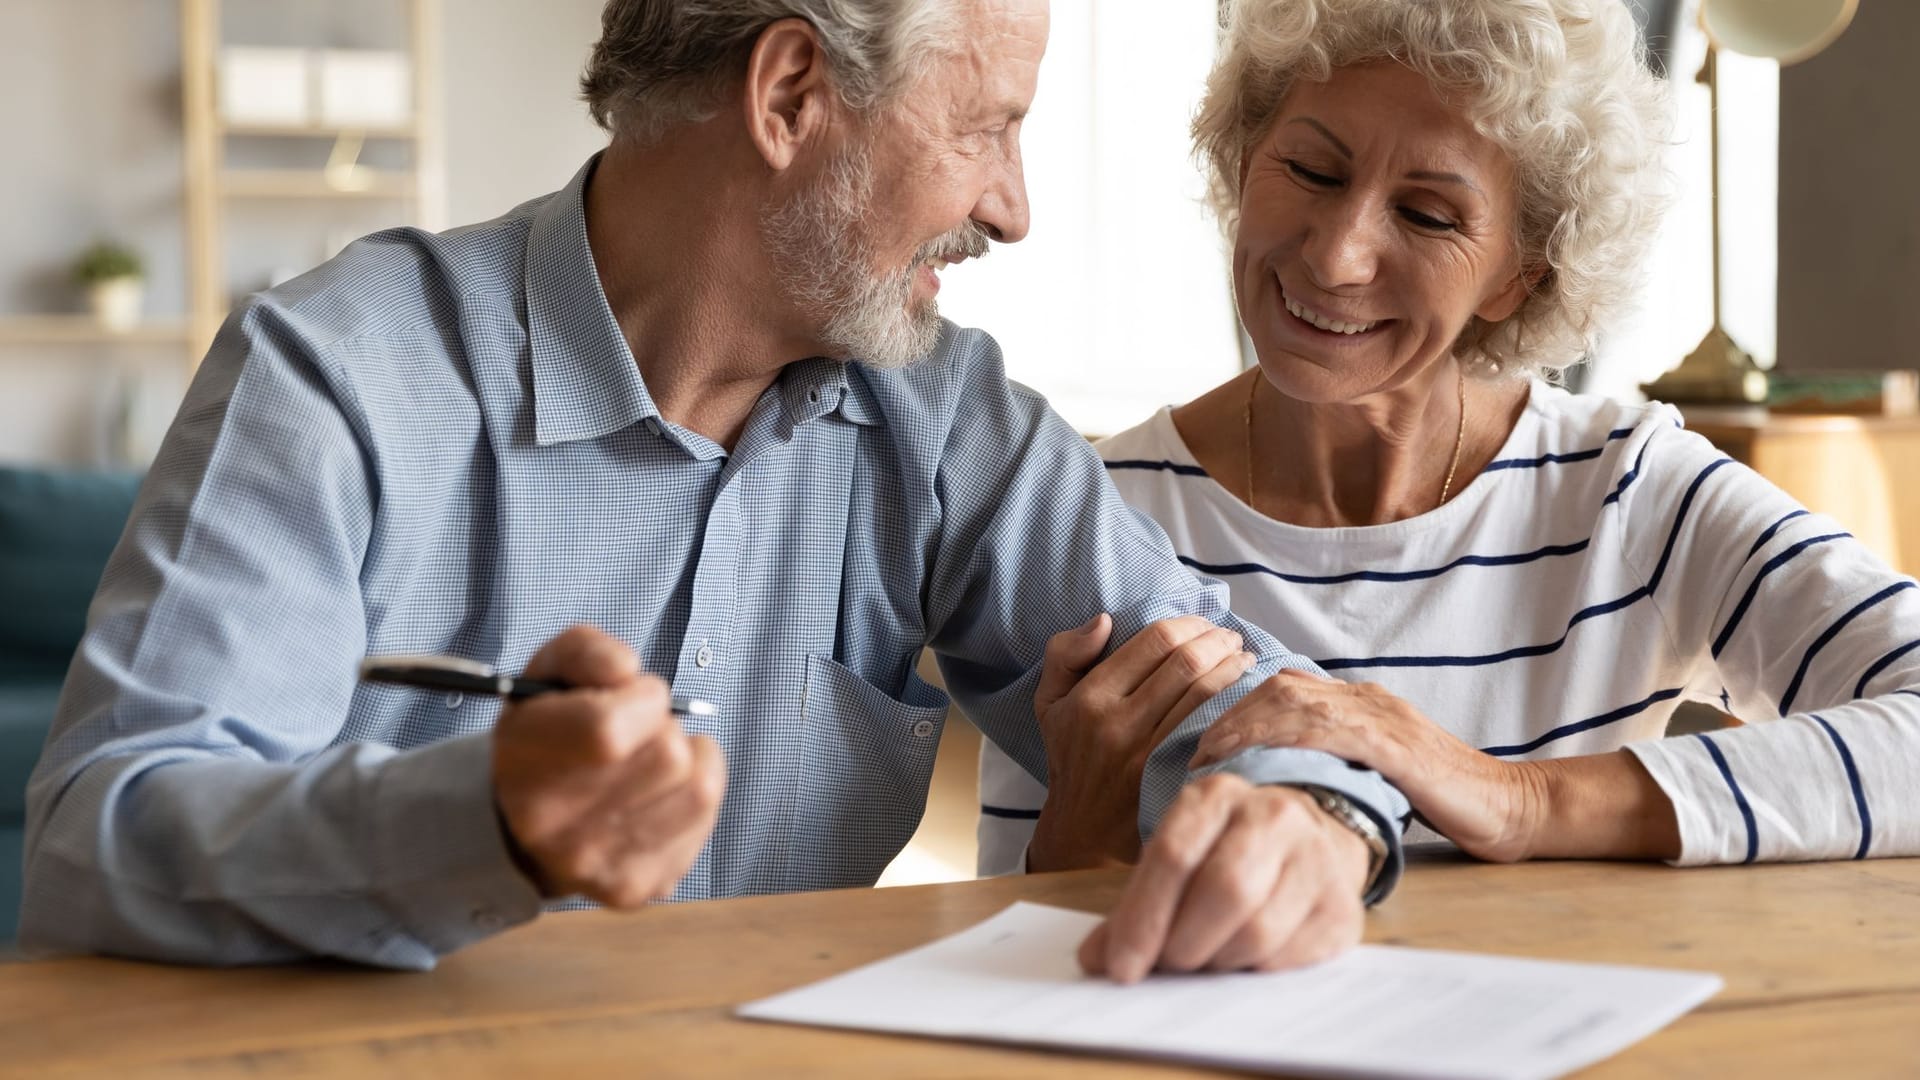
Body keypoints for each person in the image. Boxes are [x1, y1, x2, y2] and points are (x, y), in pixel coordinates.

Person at [21, 0, 1411, 979]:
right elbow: (101, 839)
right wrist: (480, 822)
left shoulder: (939, 408)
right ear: (792, 94)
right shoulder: (338, 372)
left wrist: (1312, 816)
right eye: (986, 128)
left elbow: (1252, 696)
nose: (1014, 206)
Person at [982, 0, 1919, 875]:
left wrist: (1515, 798)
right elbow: (1009, 978)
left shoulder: (1630, 492)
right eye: (1310, 170)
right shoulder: (1089, 512)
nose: (1335, 254)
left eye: (1428, 215)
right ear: (1242, 157)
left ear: (1520, 275)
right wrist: (1084, 835)